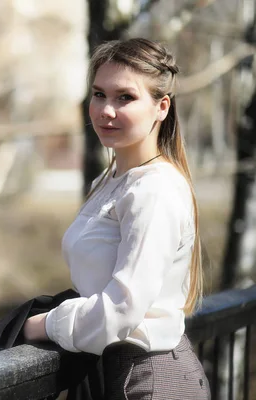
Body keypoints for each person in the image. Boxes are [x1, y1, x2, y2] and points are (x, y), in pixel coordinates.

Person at [23, 38, 210, 399]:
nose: (106, 110)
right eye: (98, 94)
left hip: (150, 379)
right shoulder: (110, 181)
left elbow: (123, 308)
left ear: (162, 107)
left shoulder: (154, 190)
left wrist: (44, 324)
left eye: (125, 97)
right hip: (114, 373)